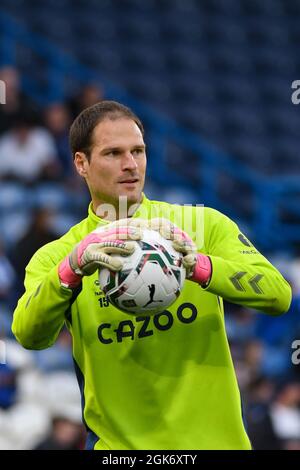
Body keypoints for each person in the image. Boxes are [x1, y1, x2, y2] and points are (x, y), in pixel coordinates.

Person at [12, 100, 292, 450]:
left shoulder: (202, 225)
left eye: (138, 151)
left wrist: (199, 266)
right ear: (81, 163)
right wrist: (70, 271)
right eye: (113, 153)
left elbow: (278, 295)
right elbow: (29, 334)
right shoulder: (58, 255)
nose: (130, 165)